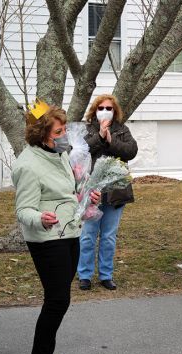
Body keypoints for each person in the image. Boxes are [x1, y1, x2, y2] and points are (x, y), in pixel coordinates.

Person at [11, 102, 100, 354]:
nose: (65, 137)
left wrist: (88, 195)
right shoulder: (27, 164)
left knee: (60, 300)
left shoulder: (59, 154)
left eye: (64, 130)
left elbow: (69, 190)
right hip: (47, 238)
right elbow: (23, 209)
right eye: (59, 131)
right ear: (42, 134)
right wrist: (40, 217)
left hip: (70, 232)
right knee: (57, 300)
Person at [77, 94, 138, 291]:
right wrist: (100, 137)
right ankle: (84, 275)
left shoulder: (122, 129)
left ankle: (106, 275)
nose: (105, 111)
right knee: (87, 235)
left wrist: (112, 141)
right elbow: (80, 151)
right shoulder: (87, 129)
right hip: (91, 191)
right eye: (101, 107)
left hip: (115, 192)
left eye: (109, 108)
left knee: (109, 236)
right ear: (95, 110)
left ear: (115, 111)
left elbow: (131, 151)